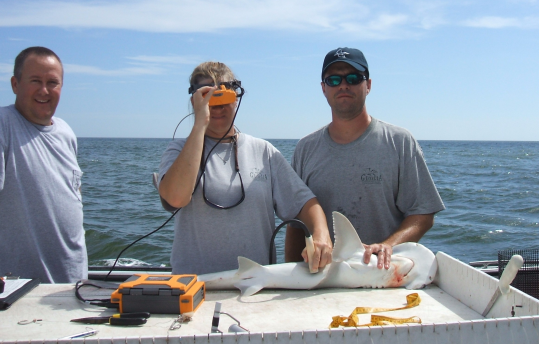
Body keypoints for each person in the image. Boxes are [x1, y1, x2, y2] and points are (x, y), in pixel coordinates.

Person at [157, 61, 332, 275]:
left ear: (237, 96)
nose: (218, 106)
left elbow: (304, 203)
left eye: (224, 96)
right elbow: (175, 198)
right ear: (195, 101)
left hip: (255, 284)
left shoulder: (263, 151)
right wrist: (200, 123)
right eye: (208, 97)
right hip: (195, 286)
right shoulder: (179, 150)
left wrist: (321, 234)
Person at [287, 47, 445, 270]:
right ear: (323, 88)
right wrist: (292, 278)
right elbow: (296, 223)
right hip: (319, 279)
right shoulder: (305, 148)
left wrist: (388, 246)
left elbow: (423, 214)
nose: (343, 85)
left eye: (353, 78)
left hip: (380, 275)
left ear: (368, 85)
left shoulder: (400, 142)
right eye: (333, 79)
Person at [0, 46, 87, 283]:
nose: (44, 90)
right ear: (15, 84)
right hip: (14, 296)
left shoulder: (66, 132)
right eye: (35, 80)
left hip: (71, 288)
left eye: (53, 82)